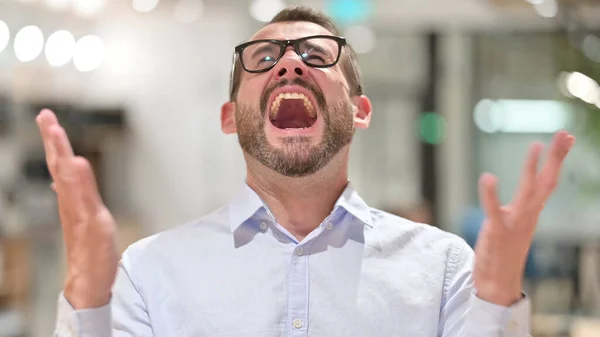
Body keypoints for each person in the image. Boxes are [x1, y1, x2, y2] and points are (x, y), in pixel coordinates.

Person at [40, 5, 575, 337]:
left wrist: (500, 298)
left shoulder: (442, 269)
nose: (290, 64)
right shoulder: (149, 272)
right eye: (264, 57)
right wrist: (86, 299)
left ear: (360, 111)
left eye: (317, 56)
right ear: (230, 117)